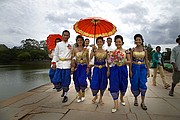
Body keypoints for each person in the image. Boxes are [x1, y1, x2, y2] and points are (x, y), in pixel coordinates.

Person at [108, 35, 131, 113]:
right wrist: (111, 58)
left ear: (122, 42)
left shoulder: (126, 51)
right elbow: (109, 62)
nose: (118, 43)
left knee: (123, 85)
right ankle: (115, 105)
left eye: (119, 42)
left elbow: (129, 61)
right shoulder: (112, 52)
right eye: (116, 42)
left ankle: (121, 98)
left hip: (123, 70)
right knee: (114, 86)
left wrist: (121, 60)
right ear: (114, 43)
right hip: (114, 70)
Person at [129, 34, 150, 110]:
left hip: (142, 68)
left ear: (141, 40)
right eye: (136, 40)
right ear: (134, 41)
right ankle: (135, 99)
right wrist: (130, 71)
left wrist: (148, 70)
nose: (138, 41)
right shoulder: (132, 50)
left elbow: (146, 61)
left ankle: (143, 102)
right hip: (134, 68)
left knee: (142, 84)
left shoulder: (145, 50)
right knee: (134, 83)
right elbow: (131, 61)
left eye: (139, 40)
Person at [51, 30, 72, 103]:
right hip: (59, 64)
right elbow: (55, 54)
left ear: (69, 36)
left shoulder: (71, 44)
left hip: (67, 64)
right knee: (55, 80)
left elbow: (74, 55)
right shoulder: (59, 44)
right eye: (64, 35)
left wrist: (73, 64)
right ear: (62, 36)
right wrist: (53, 63)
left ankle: (65, 94)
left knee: (66, 80)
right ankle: (60, 88)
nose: (66, 36)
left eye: (67, 35)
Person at [90, 37, 109, 105]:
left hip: (104, 69)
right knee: (94, 83)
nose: (99, 43)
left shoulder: (105, 51)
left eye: (101, 41)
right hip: (96, 69)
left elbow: (108, 61)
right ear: (97, 43)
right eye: (98, 41)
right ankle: (95, 96)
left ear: (103, 43)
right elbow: (91, 57)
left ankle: (101, 98)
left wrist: (108, 70)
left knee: (102, 84)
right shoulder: (95, 51)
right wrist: (92, 50)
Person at [71, 35, 89, 102]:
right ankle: (79, 94)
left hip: (84, 67)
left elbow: (87, 59)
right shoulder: (74, 49)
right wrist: (72, 67)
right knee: (76, 81)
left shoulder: (86, 49)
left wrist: (88, 67)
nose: (80, 41)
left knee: (82, 81)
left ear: (83, 41)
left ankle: (83, 92)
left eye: (81, 40)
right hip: (77, 67)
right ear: (76, 41)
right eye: (78, 40)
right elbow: (73, 58)